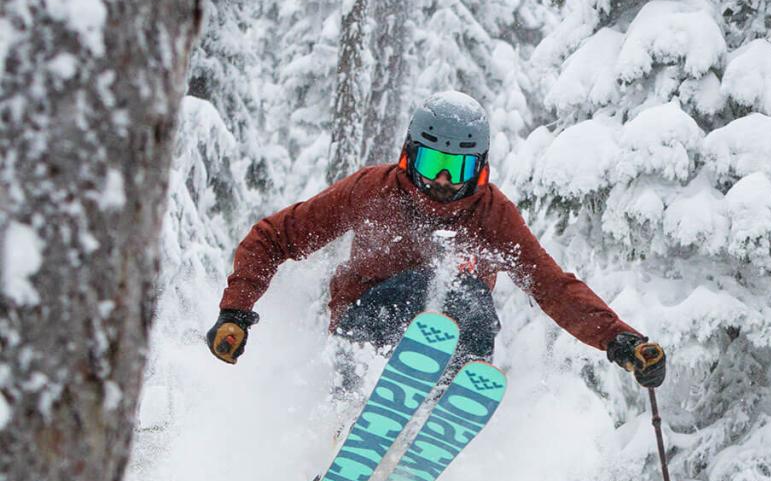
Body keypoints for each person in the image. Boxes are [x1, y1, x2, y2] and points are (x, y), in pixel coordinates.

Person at [205, 91, 665, 390]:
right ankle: (347, 419)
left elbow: (551, 286)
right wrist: (236, 312)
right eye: (431, 164)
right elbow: (274, 237)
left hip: (456, 331)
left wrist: (620, 341)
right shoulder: (372, 191)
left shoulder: (491, 215)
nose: (443, 180)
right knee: (425, 285)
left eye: (459, 168)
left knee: (465, 297)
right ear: (409, 156)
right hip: (366, 322)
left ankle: (443, 407)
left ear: (480, 168)